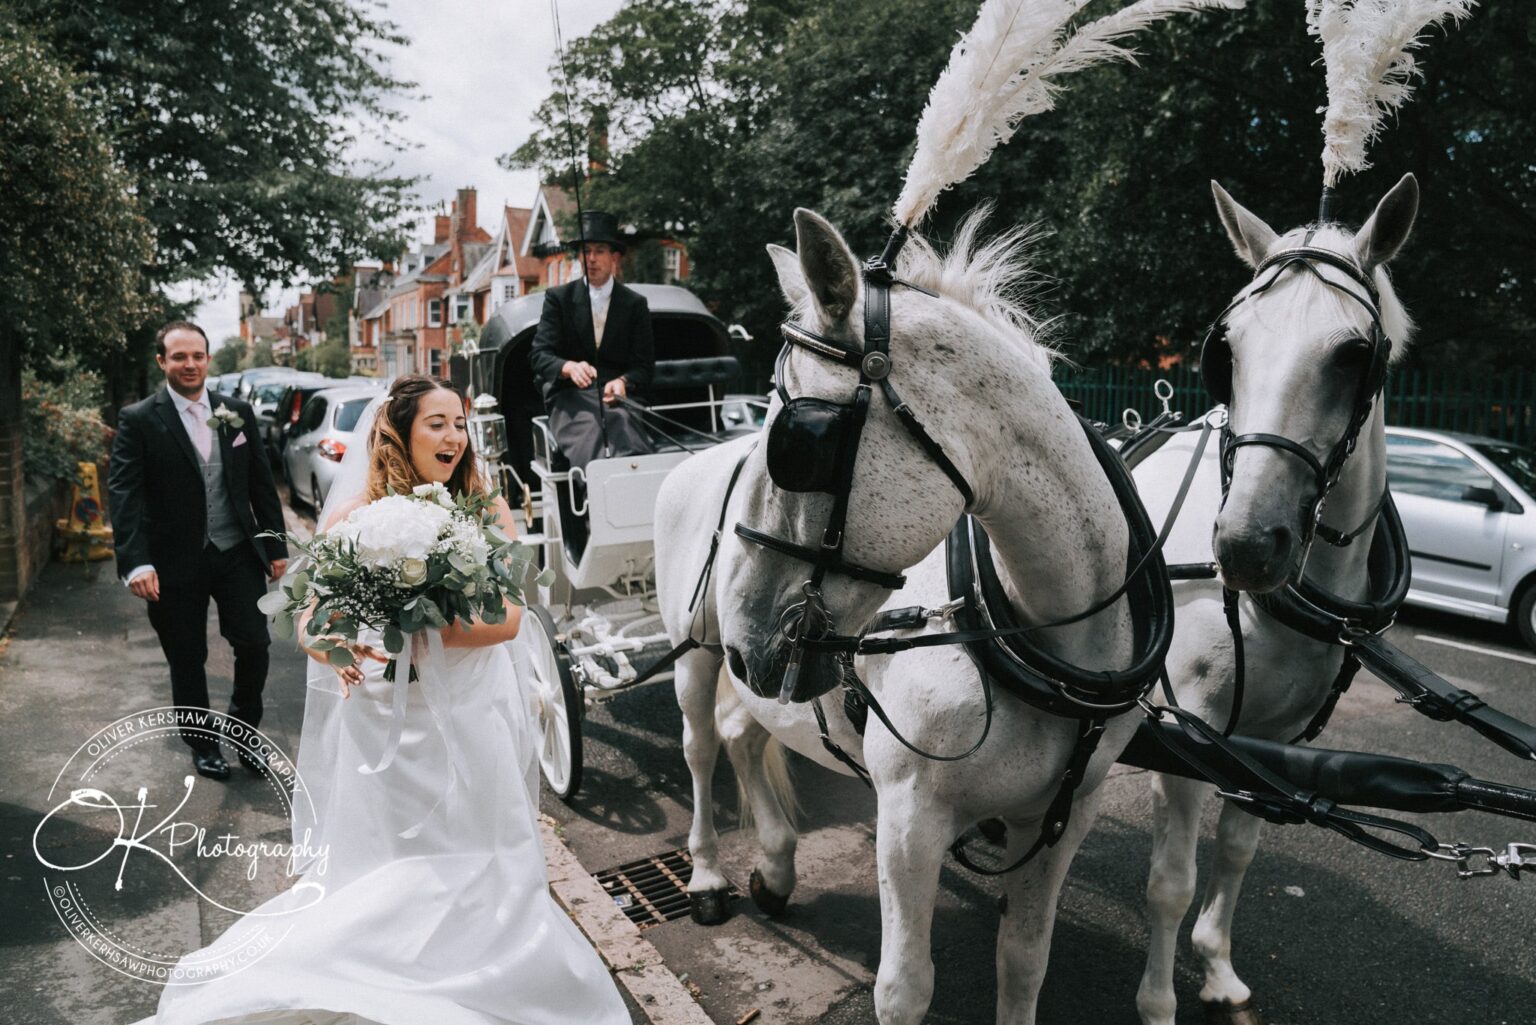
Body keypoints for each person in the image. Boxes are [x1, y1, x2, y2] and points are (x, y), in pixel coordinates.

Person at [131, 375, 631, 1025]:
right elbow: (311, 621)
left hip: (468, 714)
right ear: (399, 430)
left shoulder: (487, 504)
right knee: (392, 869)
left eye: (460, 424)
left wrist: (416, 623)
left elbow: (508, 618)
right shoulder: (359, 510)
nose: (454, 436)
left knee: (484, 858)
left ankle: (489, 969)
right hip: (382, 723)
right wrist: (346, 653)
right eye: (437, 423)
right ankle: (396, 971)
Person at [108, 321, 288, 782]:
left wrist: (274, 544)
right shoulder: (140, 418)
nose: (190, 364)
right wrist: (136, 562)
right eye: (179, 357)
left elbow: (261, 484)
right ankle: (203, 745)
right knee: (187, 656)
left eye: (198, 356)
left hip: (235, 552)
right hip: (172, 562)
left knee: (255, 643)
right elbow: (124, 495)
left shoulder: (237, 411)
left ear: (208, 359)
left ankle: (245, 733)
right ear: (162, 362)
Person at [528, 210, 655, 470]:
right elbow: (539, 355)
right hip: (571, 399)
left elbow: (644, 366)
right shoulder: (558, 298)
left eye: (599, 251)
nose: (591, 259)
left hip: (617, 399)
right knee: (594, 429)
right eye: (586, 251)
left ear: (614, 257)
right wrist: (569, 367)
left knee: (622, 425)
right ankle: (594, 494)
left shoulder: (634, 304)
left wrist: (623, 382)